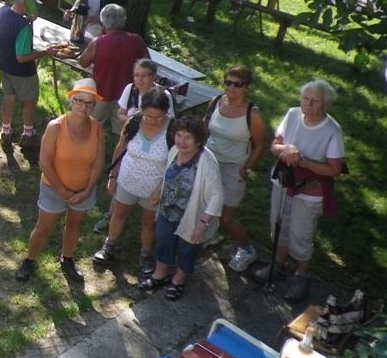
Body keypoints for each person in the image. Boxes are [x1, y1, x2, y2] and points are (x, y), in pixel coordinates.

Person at [254, 79, 346, 301]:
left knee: (300, 234)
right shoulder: (293, 114)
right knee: (278, 226)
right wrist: (287, 149)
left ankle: (301, 275)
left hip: (310, 190)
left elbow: (334, 169)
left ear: (326, 105)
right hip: (284, 181)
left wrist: (303, 162)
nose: (308, 104)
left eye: (315, 101)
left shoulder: (332, 130)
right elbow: (275, 146)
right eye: (306, 98)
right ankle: (279, 265)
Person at [15, 79, 105, 284]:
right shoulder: (55, 127)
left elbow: (99, 162)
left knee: (74, 226)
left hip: (83, 189)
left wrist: (86, 190)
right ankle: (29, 260)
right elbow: (44, 163)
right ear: (71, 101)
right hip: (53, 188)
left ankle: (67, 259)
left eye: (90, 103)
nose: (84, 106)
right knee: (43, 228)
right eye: (80, 101)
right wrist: (62, 191)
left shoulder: (98, 128)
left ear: (94, 106)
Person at [139, 117, 223, 301]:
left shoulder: (207, 162)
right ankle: (160, 273)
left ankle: (179, 279)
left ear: (198, 141)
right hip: (168, 209)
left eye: (187, 137)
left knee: (188, 248)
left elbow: (217, 197)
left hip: (193, 215)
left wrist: (203, 224)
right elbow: (169, 175)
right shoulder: (174, 151)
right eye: (178, 135)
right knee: (162, 239)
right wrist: (158, 191)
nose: (181, 141)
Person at [94, 87, 173, 275]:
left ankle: (145, 255)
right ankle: (109, 246)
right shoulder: (134, 122)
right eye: (149, 116)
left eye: (158, 117)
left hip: (154, 187)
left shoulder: (173, 129)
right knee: (118, 214)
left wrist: (162, 189)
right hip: (127, 180)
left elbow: (176, 164)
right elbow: (120, 148)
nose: (153, 121)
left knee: (148, 223)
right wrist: (113, 176)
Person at [202, 66, 266, 273]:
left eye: (238, 84)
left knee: (227, 218)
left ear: (246, 87)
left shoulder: (252, 114)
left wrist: (247, 168)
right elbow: (204, 127)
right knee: (204, 203)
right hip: (210, 160)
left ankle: (247, 249)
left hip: (234, 167)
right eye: (228, 82)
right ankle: (209, 235)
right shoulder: (216, 102)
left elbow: (260, 145)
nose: (232, 88)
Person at [0, 0, 54, 156]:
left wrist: (28, 21)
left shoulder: (3, 11)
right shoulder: (23, 27)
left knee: (9, 97)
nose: (34, 8)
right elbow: (22, 57)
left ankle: (5, 131)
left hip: (4, 65)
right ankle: (28, 135)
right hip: (22, 72)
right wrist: (45, 52)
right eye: (31, 5)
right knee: (29, 100)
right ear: (23, 2)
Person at [77, 4, 149, 134]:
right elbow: (148, 65)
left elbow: (83, 62)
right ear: (124, 21)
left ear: (103, 23)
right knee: (124, 134)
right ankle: (119, 154)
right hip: (127, 96)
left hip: (102, 93)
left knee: (91, 129)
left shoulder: (98, 42)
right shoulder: (137, 40)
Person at [116, 59, 177, 125]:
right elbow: (120, 114)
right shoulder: (130, 89)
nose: (140, 79)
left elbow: (171, 122)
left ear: (154, 76)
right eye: (137, 75)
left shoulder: (164, 95)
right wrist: (133, 120)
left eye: (144, 75)